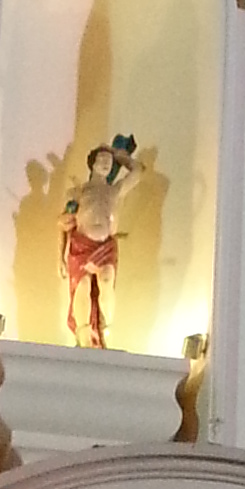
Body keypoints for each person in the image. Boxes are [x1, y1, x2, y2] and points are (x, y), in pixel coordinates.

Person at [60, 137, 141, 348]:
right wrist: (60, 257)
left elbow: (137, 172)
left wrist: (120, 155)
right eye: (101, 159)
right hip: (81, 246)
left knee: (106, 281)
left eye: (109, 161)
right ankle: (84, 337)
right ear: (92, 164)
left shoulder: (114, 190)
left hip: (105, 246)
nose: (106, 163)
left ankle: (106, 331)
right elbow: (65, 224)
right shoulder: (79, 191)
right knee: (83, 286)